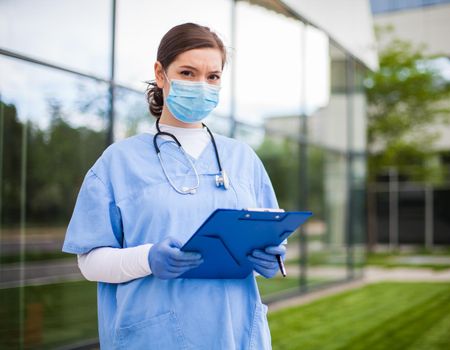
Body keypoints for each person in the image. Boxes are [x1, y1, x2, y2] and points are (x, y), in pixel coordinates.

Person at [62, 22, 286, 349]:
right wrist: (147, 258)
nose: (201, 85)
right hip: (153, 337)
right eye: (187, 72)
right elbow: (89, 262)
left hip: (237, 335)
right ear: (160, 73)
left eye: (212, 77)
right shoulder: (119, 162)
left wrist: (273, 258)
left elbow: (270, 234)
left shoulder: (243, 159)